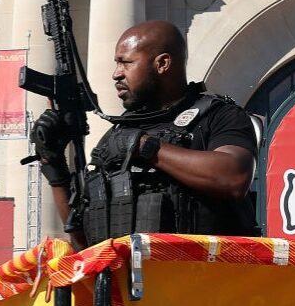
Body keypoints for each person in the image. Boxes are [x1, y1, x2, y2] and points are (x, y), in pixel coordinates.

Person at [32, 20, 259, 247]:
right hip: (132, 280)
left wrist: (143, 147)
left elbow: (234, 178)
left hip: (204, 276)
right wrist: (55, 167)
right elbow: (86, 243)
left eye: (126, 63)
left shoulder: (217, 116)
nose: (116, 74)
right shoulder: (116, 136)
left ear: (162, 63)